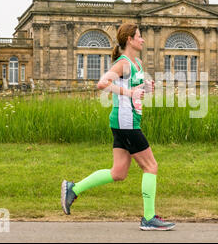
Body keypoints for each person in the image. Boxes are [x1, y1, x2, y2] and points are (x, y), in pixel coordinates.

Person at [61, 23, 175, 231]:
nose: (142, 40)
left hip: (126, 121)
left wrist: (144, 88)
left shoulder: (137, 63)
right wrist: (129, 94)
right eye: (139, 36)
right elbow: (102, 83)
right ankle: (149, 218)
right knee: (151, 166)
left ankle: (73, 189)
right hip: (126, 123)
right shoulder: (123, 63)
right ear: (129, 40)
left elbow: (133, 86)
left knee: (119, 172)